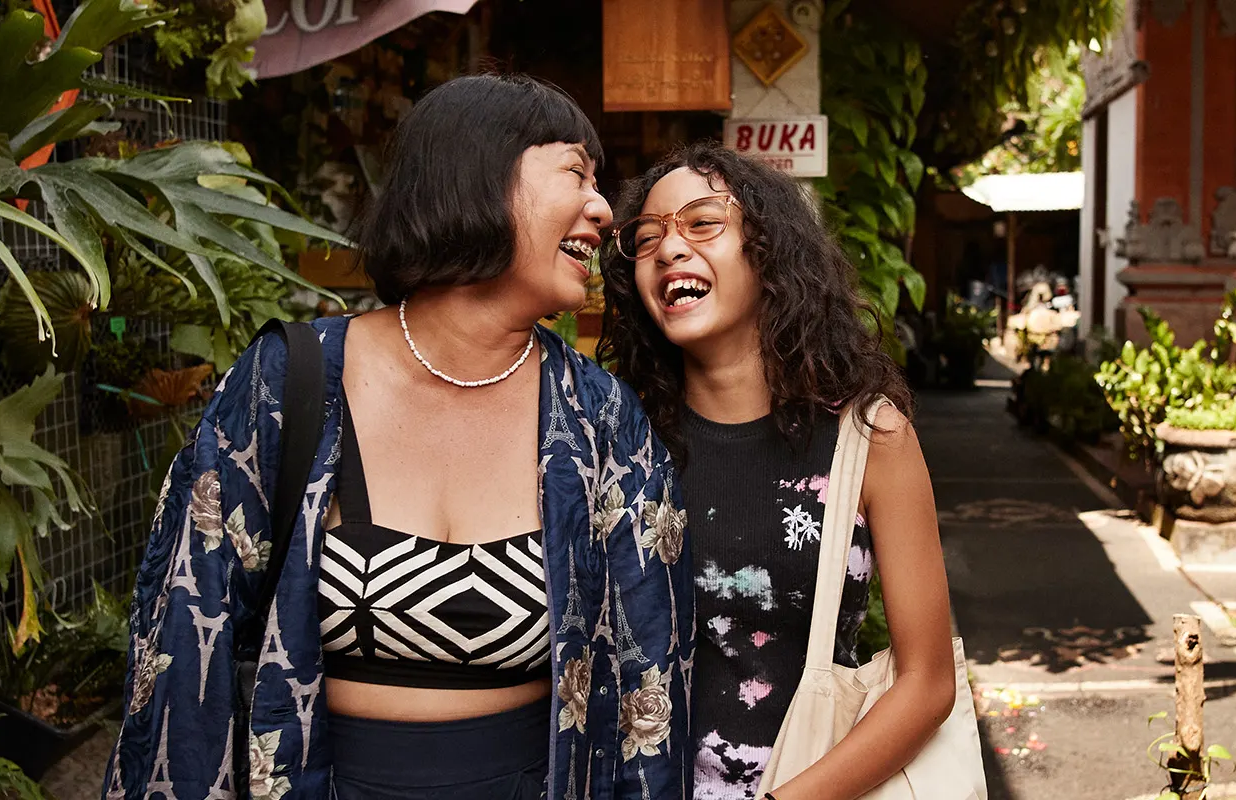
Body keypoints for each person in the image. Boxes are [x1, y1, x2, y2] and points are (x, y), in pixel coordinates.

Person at [105, 74, 694, 800]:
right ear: (474, 176)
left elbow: (647, 692)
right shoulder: (290, 383)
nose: (605, 210)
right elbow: (183, 654)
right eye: (577, 171)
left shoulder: (602, 420)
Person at [598, 143, 956, 800]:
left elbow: (927, 683)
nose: (669, 249)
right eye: (647, 238)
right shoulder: (615, 436)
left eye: (702, 223)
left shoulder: (869, 437)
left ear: (767, 251)